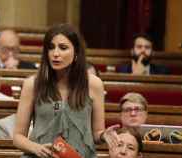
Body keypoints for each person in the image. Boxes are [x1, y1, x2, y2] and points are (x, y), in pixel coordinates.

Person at [13, 24, 112, 158]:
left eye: (63, 48)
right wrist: (36, 148)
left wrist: (104, 135)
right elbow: (18, 137)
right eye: (51, 48)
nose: (55, 54)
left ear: (76, 52)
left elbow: (96, 133)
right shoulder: (32, 84)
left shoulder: (94, 84)